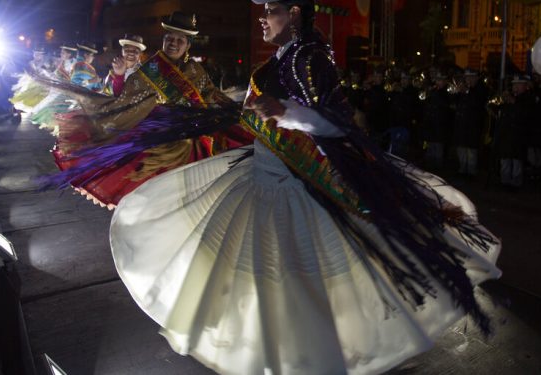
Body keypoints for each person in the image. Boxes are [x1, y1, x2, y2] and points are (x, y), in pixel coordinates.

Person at [106, 1, 501, 373]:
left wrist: (286, 114)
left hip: (290, 181)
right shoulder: (287, 54)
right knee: (259, 271)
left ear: (294, 13)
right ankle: (266, 344)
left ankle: (302, 351)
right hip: (264, 174)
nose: (262, 18)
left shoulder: (308, 55)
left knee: (290, 275)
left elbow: (336, 122)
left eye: (270, 10)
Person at [39, 11, 253, 208]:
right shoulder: (151, 69)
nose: (173, 43)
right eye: (170, 38)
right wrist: (118, 78)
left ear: (188, 45)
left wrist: (232, 109)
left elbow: (211, 94)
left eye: (180, 40)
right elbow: (127, 100)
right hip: (167, 135)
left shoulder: (196, 69)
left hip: (199, 129)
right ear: (164, 39)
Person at [493, 75, 534, 189]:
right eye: (514, 84)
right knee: (505, 158)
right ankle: (504, 181)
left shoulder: (528, 98)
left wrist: (513, 101)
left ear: (525, 86)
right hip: (506, 134)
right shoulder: (509, 98)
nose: (515, 87)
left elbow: (525, 114)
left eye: (518, 84)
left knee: (517, 160)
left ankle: (515, 183)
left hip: (519, 134)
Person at [453, 68, 488, 177]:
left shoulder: (481, 89)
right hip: (461, 123)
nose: (468, 80)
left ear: (476, 78)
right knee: (461, 147)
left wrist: (466, 91)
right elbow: (455, 104)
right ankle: (462, 169)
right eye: (466, 77)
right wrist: (456, 93)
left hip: (474, 124)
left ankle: (471, 172)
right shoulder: (464, 88)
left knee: (471, 150)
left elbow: (478, 103)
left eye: (471, 77)